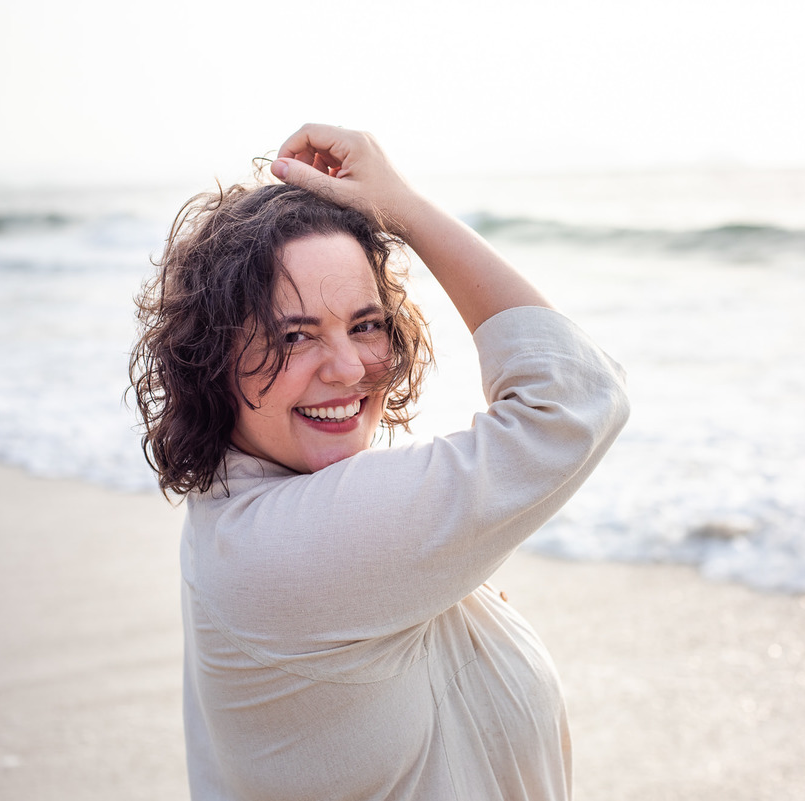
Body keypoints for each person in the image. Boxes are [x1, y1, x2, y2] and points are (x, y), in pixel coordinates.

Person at [130, 124, 630, 800]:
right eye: (294, 335)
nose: (347, 368)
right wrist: (405, 208)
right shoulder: (289, 546)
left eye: (366, 324)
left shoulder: (242, 507)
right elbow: (574, 396)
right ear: (211, 360)